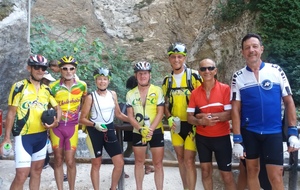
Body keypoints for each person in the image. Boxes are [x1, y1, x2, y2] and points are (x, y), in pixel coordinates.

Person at [231, 33, 300, 190]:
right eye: (247, 47)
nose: (251, 50)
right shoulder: (238, 76)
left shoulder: (276, 71)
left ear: (261, 49)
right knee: (252, 172)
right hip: (250, 132)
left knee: (276, 176)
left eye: (255, 46)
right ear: (242, 52)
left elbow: (289, 102)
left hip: (273, 132)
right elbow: (235, 109)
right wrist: (237, 139)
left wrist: (293, 132)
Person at [0, 54, 61, 189]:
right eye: (36, 67)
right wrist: (6, 138)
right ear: (29, 68)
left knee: (37, 172)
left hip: (41, 136)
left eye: (43, 68)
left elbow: (58, 108)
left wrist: (56, 121)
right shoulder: (19, 87)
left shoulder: (46, 89)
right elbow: (11, 113)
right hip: (24, 136)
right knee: (22, 174)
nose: (40, 70)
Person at [186, 58, 237, 190]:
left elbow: (230, 114)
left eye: (210, 68)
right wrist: (200, 121)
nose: (207, 71)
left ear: (215, 70)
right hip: (203, 139)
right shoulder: (195, 93)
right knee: (205, 172)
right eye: (203, 69)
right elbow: (189, 117)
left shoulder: (225, 89)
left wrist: (206, 117)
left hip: (222, 138)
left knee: (227, 175)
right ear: (199, 72)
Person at [79, 67, 128, 190]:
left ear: (108, 81)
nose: (102, 81)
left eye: (105, 79)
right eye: (99, 79)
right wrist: (94, 124)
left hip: (109, 129)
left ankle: (113, 188)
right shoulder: (91, 97)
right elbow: (82, 119)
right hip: (94, 131)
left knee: (119, 162)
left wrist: (134, 121)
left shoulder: (113, 94)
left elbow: (118, 114)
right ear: (96, 81)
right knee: (96, 163)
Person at [162, 42, 202, 190]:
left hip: (192, 125)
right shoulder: (167, 80)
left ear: (184, 58)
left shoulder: (194, 76)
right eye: (173, 57)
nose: (176, 60)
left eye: (179, 57)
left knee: (189, 160)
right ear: (169, 59)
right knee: (180, 159)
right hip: (175, 125)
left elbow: (203, 99)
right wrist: (169, 117)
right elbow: (165, 103)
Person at [49, 56, 87, 190]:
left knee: (70, 161)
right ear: (60, 70)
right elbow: (48, 106)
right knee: (58, 160)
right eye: (65, 68)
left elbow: (85, 101)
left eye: (71, 68)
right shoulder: (53, 87)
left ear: (75, 69)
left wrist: (83, 116)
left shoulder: (82, 85)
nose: (68, 71)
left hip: (73, 126)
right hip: (57, 128)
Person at [126, 61, 165, 190]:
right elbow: (130, 116)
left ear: (150, 75)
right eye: (140, 73)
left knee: (158, 164)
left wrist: (151, 129)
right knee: (139, 162)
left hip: (156, 131)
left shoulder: (157, 90)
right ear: (136, 75)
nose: (143, 76)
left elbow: (161, 112)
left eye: (146, 73)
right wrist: (140, 128)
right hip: (138, 131)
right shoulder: (130, 94)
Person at [122, 75, 155, 177]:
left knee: (134, 147)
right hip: (132, 126)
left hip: (131, 125)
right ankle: (121, 167)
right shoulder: (133, 95)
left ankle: (147, 166)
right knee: (134, 147)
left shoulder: (131, 95)